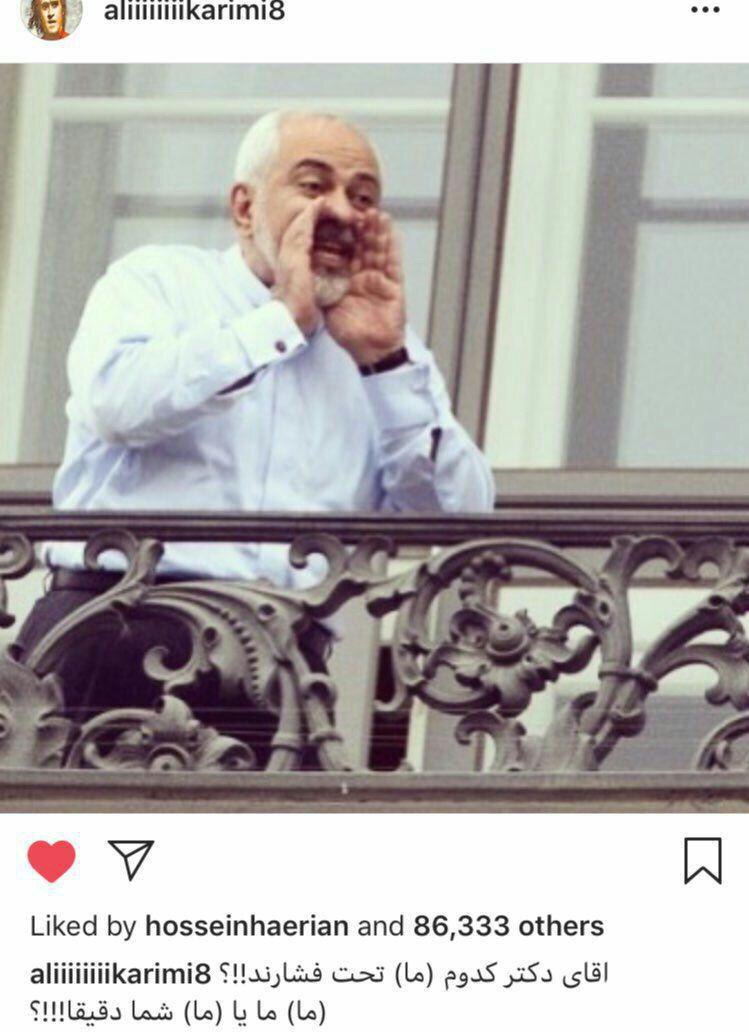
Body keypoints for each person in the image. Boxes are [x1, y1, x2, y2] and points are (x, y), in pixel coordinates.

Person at [15, 110, 494, 759]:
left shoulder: (383, 348)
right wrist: (279, 322)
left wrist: (385, 362)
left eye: (362, 198)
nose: (341, 212)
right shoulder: (159, 281)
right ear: (245, 207)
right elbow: (115, 403)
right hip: (116, 635)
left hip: (284, 677)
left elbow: (462, 517)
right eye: (313, 186)